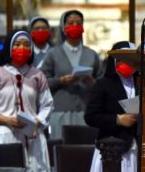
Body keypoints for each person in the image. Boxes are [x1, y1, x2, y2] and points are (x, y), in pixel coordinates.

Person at [85, 41, 145, 172]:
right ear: (114, 60)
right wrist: (117, 120)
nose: (127, 63)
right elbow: (91, 116)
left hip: (140, 148)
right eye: (123, 59)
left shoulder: (144, 83)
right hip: (111, 150)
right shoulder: (103, 84)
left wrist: (141, 121)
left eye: (130, 60)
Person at [0, 30, 53, 171]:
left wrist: (37, 121)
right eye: (17, 44)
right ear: (9, 47)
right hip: (4, 134)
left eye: (27, 45)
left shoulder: (37, 75)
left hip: (33, 135)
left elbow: (48, 105)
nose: (22, 48)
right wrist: (6, 119)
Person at [41, 9, 101, 140]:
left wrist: (93, 83)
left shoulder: (91, 54)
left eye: (78, 23)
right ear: (64, 28)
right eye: (71, 23)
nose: (75, 26)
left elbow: (102, 83)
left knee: (85, 152)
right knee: (62, 151)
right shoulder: (53, 54)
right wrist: (60, 81)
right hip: (61, 111)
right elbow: (42, 82)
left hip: (85, 111)